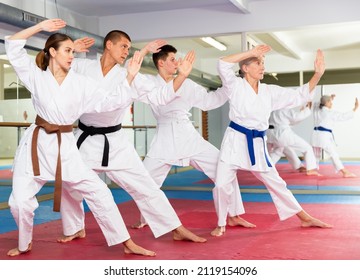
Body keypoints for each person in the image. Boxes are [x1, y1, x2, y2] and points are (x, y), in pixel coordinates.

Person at [5, 18, 156, 257]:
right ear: (52, 52)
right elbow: (13, 44)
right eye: (67, 51)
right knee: (18, 202)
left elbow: (109, 101)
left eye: (73, 52)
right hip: (36, 147)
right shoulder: (36, 76)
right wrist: (40, 27)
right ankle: (24, 243)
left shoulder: (82, 84)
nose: (72, 55)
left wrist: (129, 77)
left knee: (100, 192)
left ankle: (127, 242)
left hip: (66, 149)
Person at [58, 32, 207, 243]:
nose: (127, 52)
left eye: (129, 48)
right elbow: (53, 67)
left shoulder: (129, 74)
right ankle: (74, 227)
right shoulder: (83, 67)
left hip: (115, 141)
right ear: (109, 44)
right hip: (85, 138)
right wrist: (71, 48)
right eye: (124, 46)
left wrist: (181, 76)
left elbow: (159, 96)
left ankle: (175, 227)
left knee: (145, 185)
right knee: (70, 184)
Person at [131, 44, 255, 233]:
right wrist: (145, 51)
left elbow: (210, 101)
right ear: (161, 62)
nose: (177, 62)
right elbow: (129, 74)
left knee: (224, 168)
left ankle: (234, 215)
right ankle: (146, 218)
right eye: (173, 59)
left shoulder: (187, 84)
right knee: (145, 181)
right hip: (164, 138)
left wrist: (229, 85)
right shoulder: (148, 82)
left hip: (188, 135)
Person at [211, 44, 333, 236]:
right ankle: (221, 222)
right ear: (245, 68)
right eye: (258, 63)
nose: (262, 66)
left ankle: (304, 217)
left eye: (263, 63)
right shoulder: (234, 85)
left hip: (257, 144)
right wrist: (251, 52)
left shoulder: (269, 91)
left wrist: (317, 74)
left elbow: (298, 95)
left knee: (276, 182)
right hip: (234, 141)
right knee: (221, 184)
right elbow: (222, 63)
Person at [267, 102, 320, 176]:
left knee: (280, 150)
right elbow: (296, 117)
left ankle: (267, 167)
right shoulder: (284, 109)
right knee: (307, 148)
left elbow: (290, 121)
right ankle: (310, 169)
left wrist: (303, 111)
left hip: (270, 134)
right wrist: (307, 110)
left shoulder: (271, 109)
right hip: (283, 134)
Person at [311, 94, 358, 177]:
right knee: (333, 154)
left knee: (315, 155)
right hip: (323, 136)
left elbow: (317, 104)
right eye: (330, 102)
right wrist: (355, 108)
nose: (332, 104)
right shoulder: (330, 113)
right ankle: (345, 172)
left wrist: (328, 99)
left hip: (315, 135)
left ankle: (311, 170)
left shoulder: (316, 109)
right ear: (326, 103)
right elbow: (343, 116)